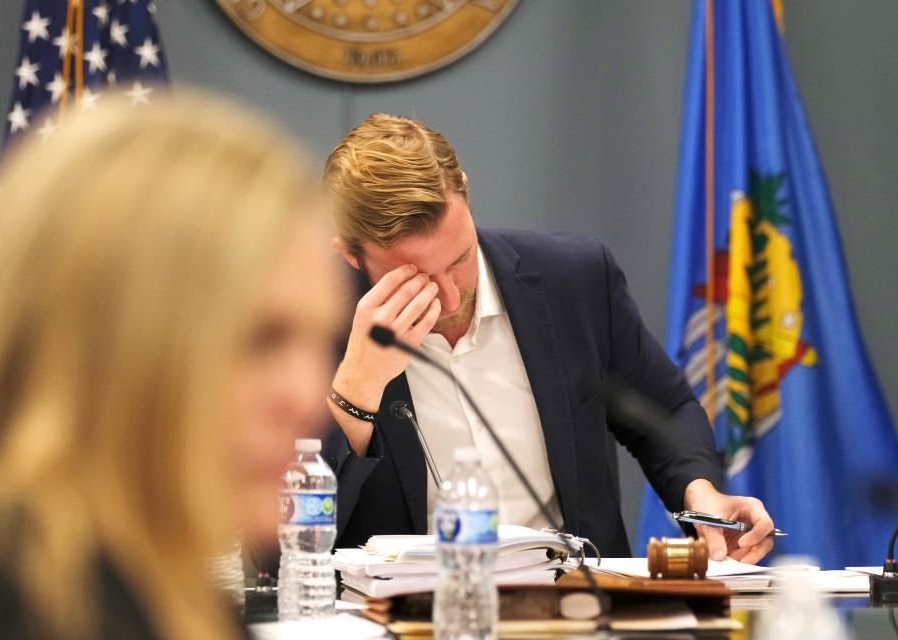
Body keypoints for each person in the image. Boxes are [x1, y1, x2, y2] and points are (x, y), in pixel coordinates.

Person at [0, 94, 341, 638]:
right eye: (259, 340)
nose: (308, 395)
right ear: (102, 332)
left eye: (321, 342)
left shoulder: (150, 582)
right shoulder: (27, 599)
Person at [320, 113, 776, 563]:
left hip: (576, 605)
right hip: (408, 618)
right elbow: (283, 538)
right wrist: (357, 389)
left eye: (459, 259)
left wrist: (701, 491)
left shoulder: (573, 280)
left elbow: (666, 410)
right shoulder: (310, 326)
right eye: (414, 277)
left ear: (464, 189)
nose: (448, 294)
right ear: (351, 255)